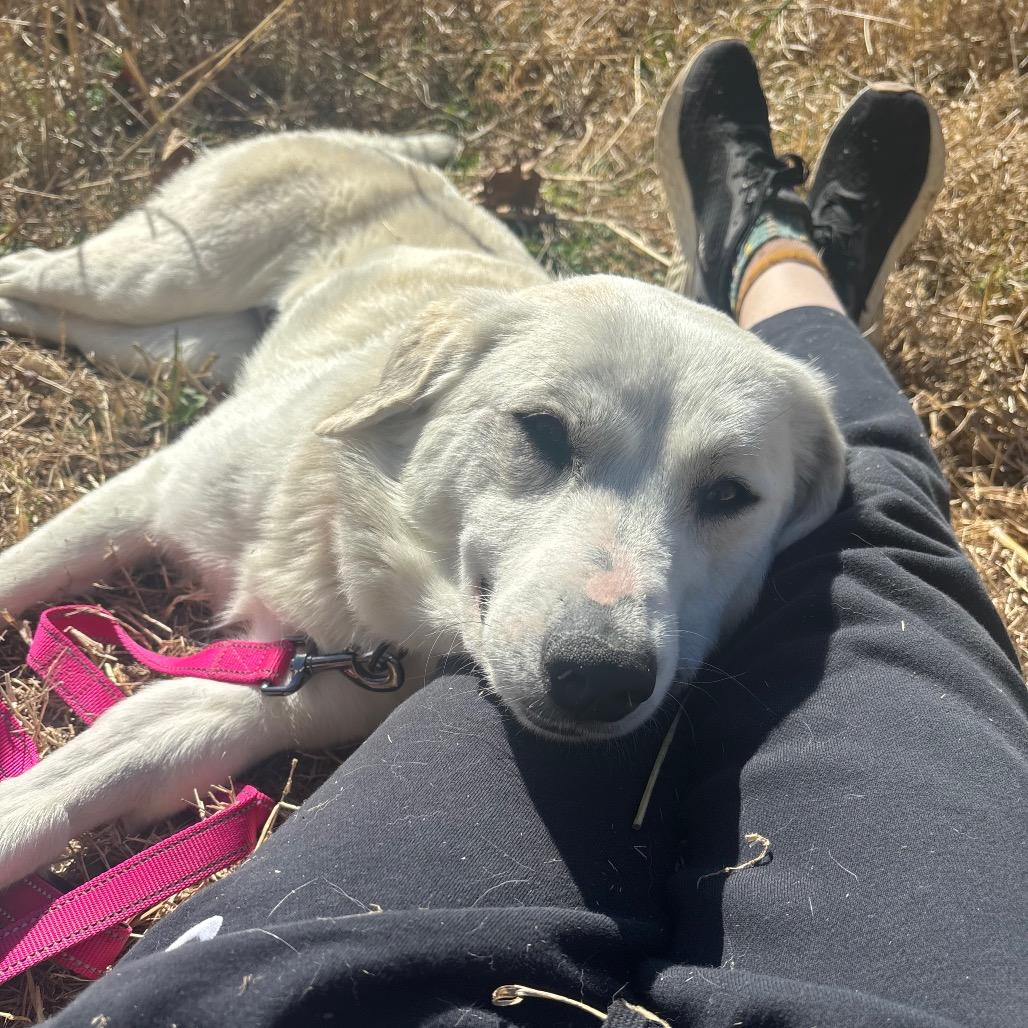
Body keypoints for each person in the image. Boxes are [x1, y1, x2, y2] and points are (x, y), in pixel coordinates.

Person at [40, 39, 1027, 1028]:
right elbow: (164, 489)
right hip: (341, 211)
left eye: (721, 495)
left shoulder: (792, 484)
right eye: (547, 435)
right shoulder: (398, 393)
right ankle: (788, 281)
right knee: (84, 291)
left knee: (858, 506)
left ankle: (776, 274)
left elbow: (238, 714)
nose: (616, 632)